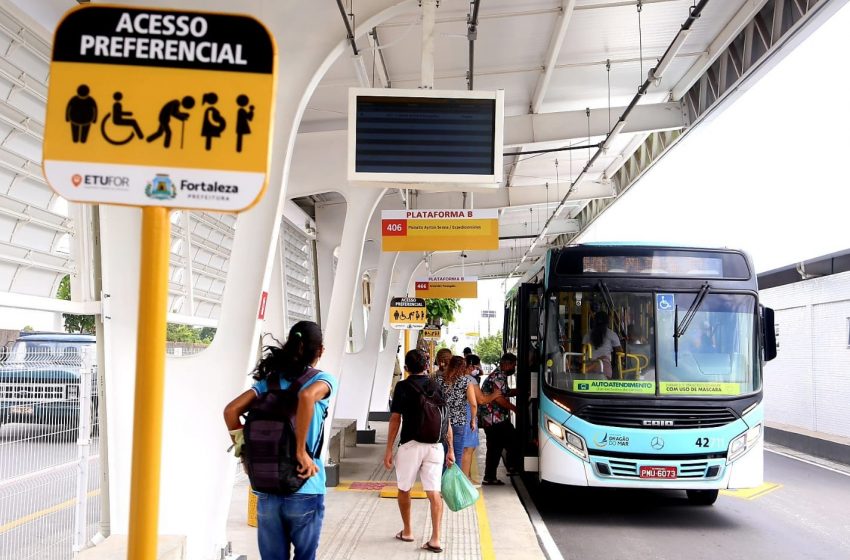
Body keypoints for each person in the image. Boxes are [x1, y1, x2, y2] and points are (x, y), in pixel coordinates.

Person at [223, 321, 337, 560]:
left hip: (267, 488)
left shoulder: (268, 383)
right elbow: (306, 397)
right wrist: (300, 451)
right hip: (307, 485)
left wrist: (246, 454)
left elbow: (231, 411)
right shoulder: (322, 380)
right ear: (320, 351)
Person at [384, 349, 453, 554]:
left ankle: (407, 531)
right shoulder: (436, 385)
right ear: (427, 366)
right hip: (435, 445)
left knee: (404, 488)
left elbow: (395, 419)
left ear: (406, 368)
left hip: (410, 444)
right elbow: (445, 417)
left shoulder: (403, 386)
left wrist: (388, 449)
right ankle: (436, 538)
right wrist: (449, 449)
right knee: (434, 492)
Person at [478, 353, 519, 485]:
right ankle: (495, 474)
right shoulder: (498, 376)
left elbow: (505, 392)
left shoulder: (498, 375)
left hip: (493, 419)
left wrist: (521, 391)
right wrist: (515, 409)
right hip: (495, 419)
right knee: (507, 443)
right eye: (514, 365)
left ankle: (491, 476)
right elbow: (499, 398)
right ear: (507, 364)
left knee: (497, 446)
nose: (514, 367)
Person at [435, 356, 476, 474]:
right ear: (463, 367)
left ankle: (441, 484)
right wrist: (472, 420)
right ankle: (453, 484)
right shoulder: (465, 382)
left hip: (442, 422)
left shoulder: (439, 380)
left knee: (442, 453)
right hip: (458, 423)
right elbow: (473, 404)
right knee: (456, 454)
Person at [582, 311, 622, 378]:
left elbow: (583, 351)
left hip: (588, 365)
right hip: (603, 365)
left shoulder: (587, 335)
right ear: (607, 322)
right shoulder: (612, 334)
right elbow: (620, 351)